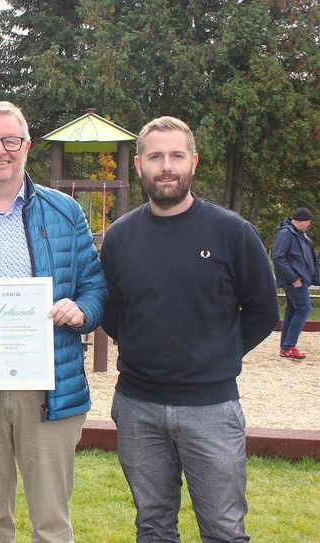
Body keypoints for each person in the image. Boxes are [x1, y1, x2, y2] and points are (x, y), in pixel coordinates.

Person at [0, 101, 108, 542]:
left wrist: (82, 311)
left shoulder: (65, 213)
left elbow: (96, 286)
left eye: (10, 140)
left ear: (27, 147)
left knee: (51, 522)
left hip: (50, 390)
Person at [100, 116, 279, 542]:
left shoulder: (232, 232)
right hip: (138, 405)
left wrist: (218, 352)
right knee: (154, 526)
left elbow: (262, 310)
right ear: (139, 165)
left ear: (193, 162)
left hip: (212, 408)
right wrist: (146, 344)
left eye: (176, 156)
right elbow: (110, 309)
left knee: (222, 529)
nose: (166, 166)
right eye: (155, 156)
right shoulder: (121, 237)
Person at [272, 207, 318, 360]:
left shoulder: (300, 235)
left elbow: (308, 258)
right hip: (294, 280)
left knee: (292, 311)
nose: (309, 225)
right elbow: (278, 258)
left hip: (301, 279)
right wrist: (293, 277)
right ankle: (289, 346)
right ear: (301, 220)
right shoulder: (286, 233)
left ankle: (285, 347)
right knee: (304, 308)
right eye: (308, 222)